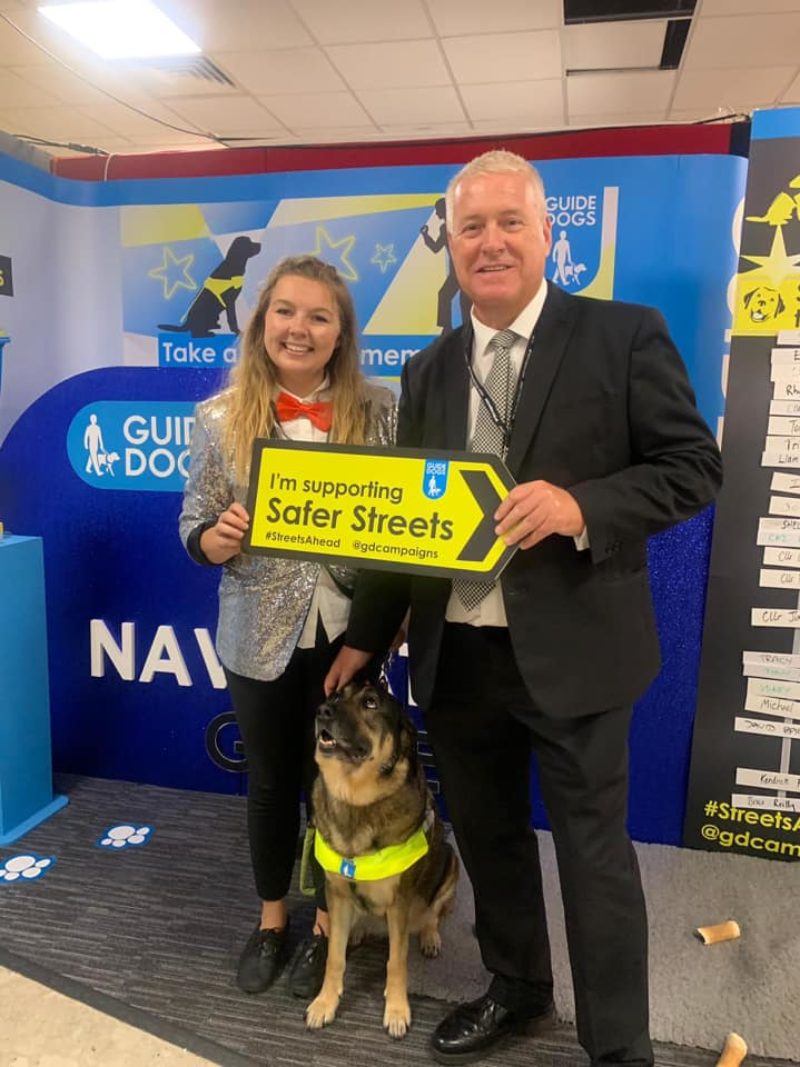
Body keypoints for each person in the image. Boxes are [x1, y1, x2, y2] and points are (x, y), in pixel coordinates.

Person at [325, 151, 722, 1066]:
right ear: (452, 246)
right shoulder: (427, 369)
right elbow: (406, 525)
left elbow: (694, 468)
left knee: (594, 857)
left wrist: (582, 507)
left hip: (578, 656)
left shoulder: (624, 335)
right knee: (492, 839)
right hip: (456, 658)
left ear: (551, 235)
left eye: (511, 222)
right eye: (472, 226)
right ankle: (516, 987)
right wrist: (362, 636)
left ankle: (619, 1048)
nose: (491, 241)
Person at [179, 255, 396, 1001]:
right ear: (261, 319)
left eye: (318, 315)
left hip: (347, 633)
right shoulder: (219, 418)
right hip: (256, 633)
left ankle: (330, 928)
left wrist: (371, 636)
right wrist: (215, 537)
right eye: (285, 311)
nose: (299, 328)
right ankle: (273, 919)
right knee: (273, 783)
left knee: (336, 790)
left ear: (341, 334)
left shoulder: (380, 412)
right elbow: (192, 526)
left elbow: (400, 537)